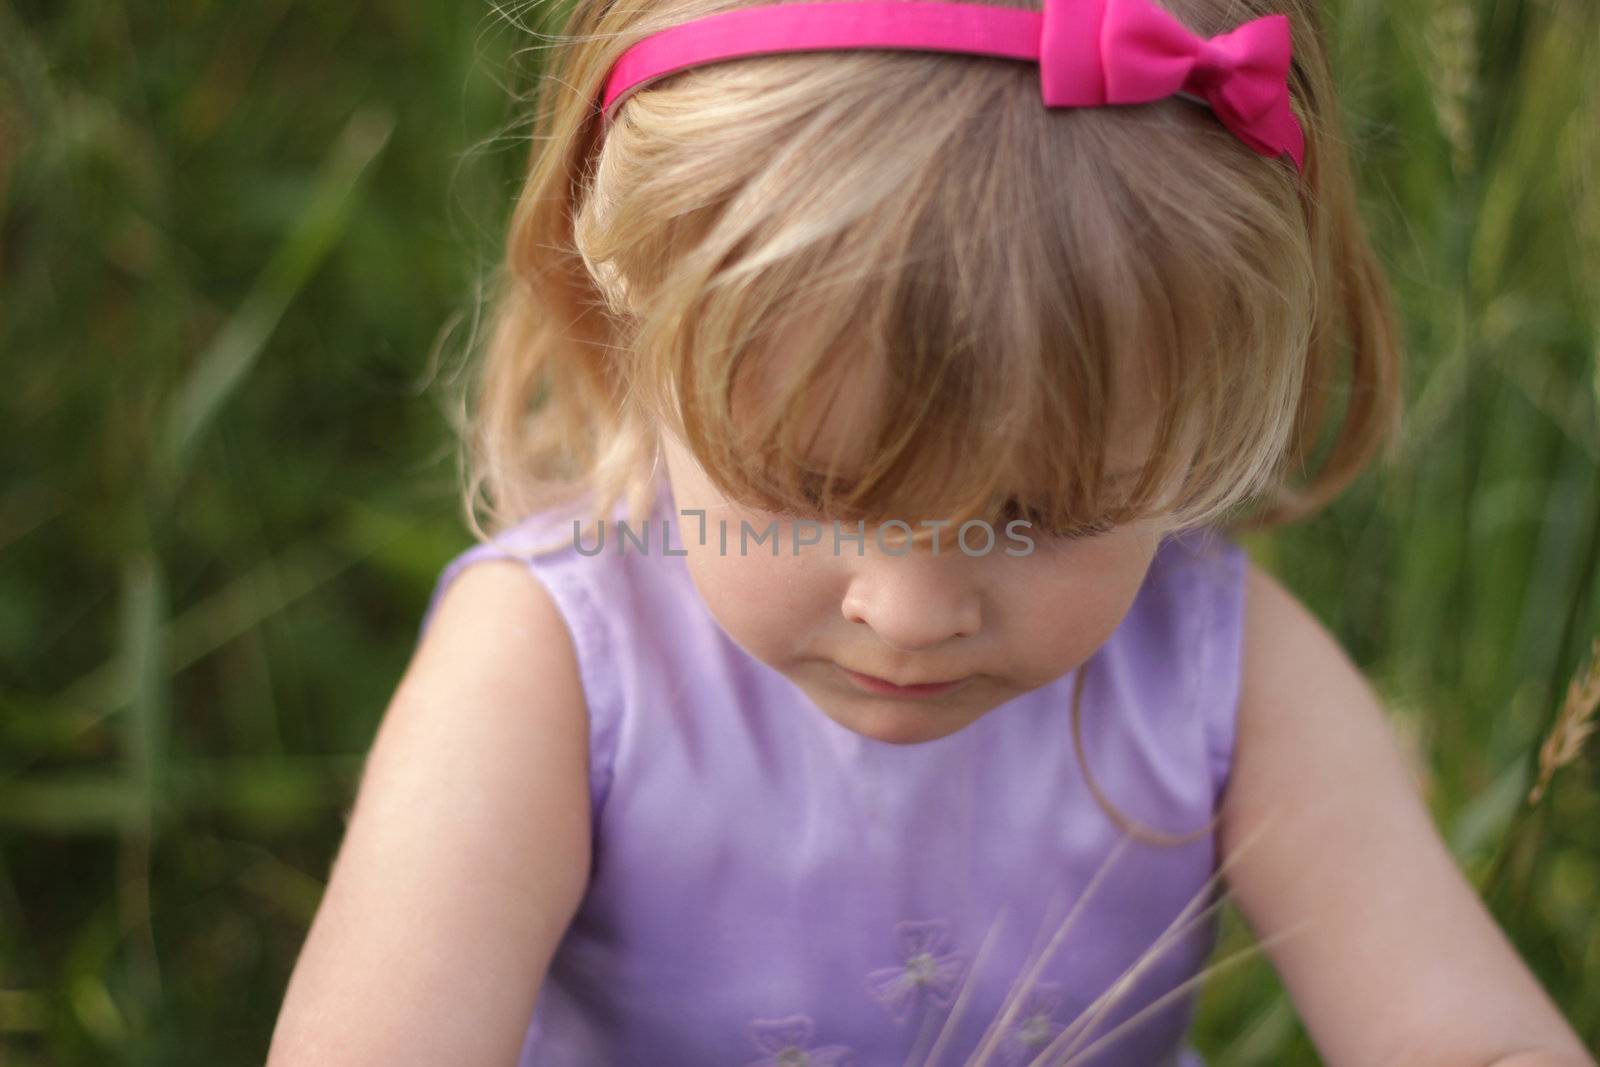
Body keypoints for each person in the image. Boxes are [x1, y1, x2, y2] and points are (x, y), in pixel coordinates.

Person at [266, 0, 1598, 1063]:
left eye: (1044, 513)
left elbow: (1465, 1038)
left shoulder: (1214, 677)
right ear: (630, 316)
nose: (909, 611)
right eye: (808, 486)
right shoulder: (562, 666)